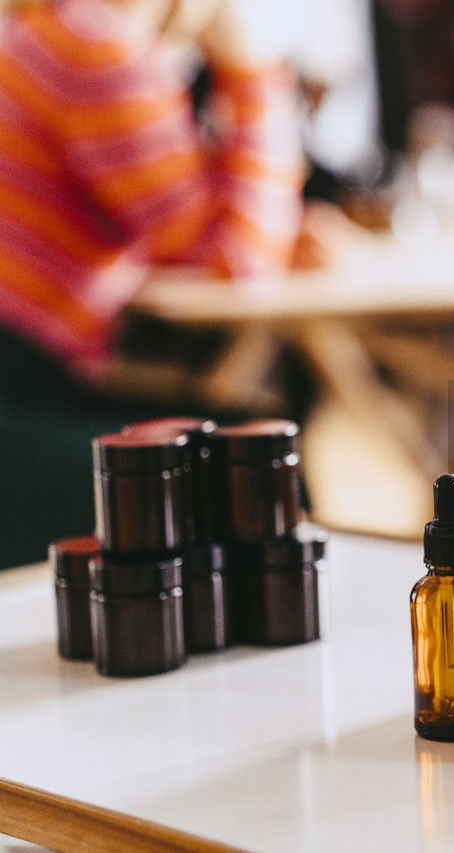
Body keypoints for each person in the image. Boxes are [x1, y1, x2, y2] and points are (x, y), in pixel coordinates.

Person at [0, 0, 305, 565]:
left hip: (26, 378)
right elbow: (240, 261)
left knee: (247, 439)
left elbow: (189, 230)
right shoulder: (97, 52)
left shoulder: (44, 33)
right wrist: (254, 73)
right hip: (16, 402)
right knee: (257, 466)